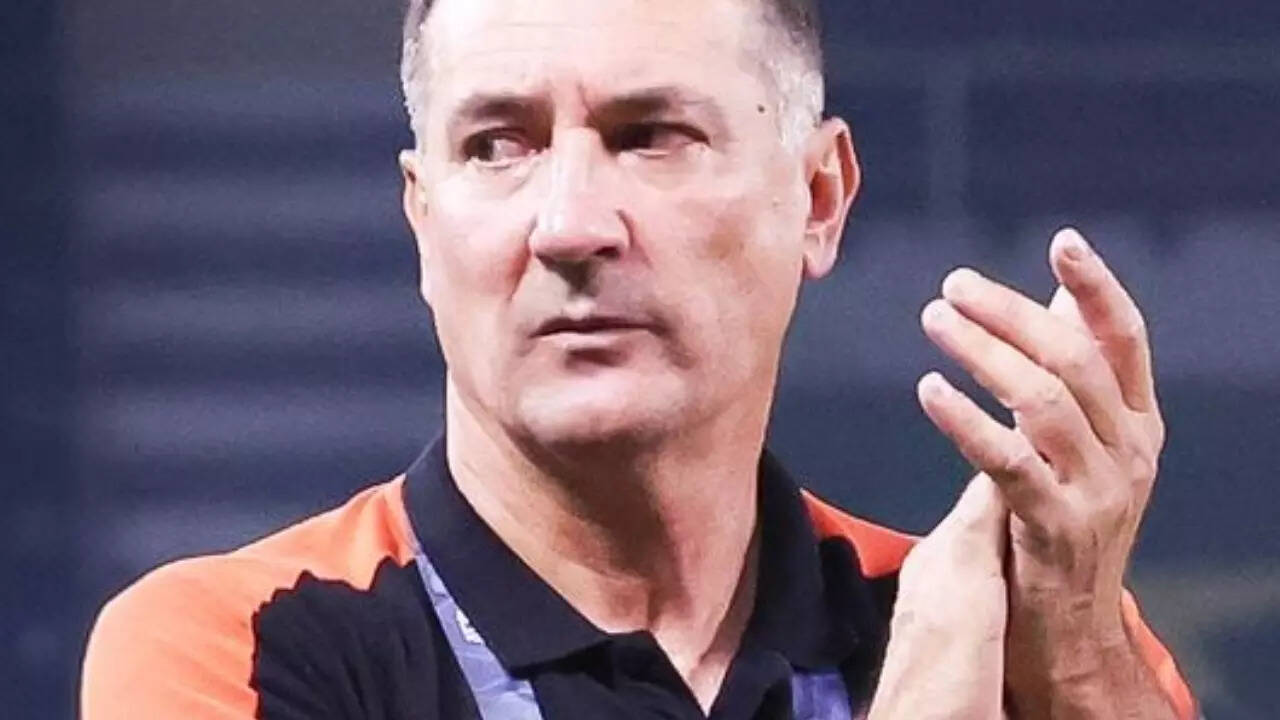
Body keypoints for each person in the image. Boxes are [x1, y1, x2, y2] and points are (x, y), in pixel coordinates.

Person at [81, 0, 1199, 718]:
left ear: (817, 197)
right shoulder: (239, 646)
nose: (569, 225)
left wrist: (1076, 660)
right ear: (423, 218)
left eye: (651, 135)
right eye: (497, 145)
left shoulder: (1017, 633)